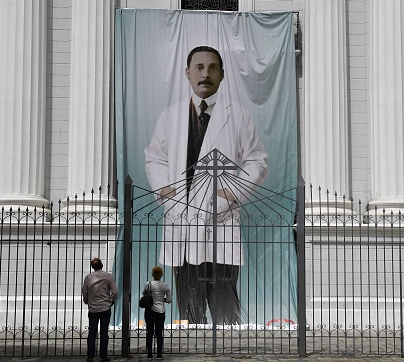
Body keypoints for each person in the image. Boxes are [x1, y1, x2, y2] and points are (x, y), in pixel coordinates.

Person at [145, 46, 268, 325]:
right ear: (187, 73)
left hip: (220, 219)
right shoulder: (170, 116)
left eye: (213, 68)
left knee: (224, 303)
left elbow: (257, 161)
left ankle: (229, 353)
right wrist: (164, 188)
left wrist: (234, 192)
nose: (205, 74)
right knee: (188, 306)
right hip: (181, 218)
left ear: (222, 75)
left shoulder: (238, 115)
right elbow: (154, 157)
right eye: (199, 67)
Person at [82, 258, 118, 362]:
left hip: (93, 308)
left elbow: (85, 291)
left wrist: (87, 301)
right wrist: (111, 301)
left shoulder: (88, 277)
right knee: (104, 333)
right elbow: (114, 291)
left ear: (92, 267)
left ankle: (90, 356)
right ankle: (103, 356)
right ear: (101, 265)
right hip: (105, 307)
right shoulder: (108, 276)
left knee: (92, 334)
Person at [143, 266, 172, 360]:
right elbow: (169, 300)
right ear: (161, 275)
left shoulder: (148, 284)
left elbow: (144, 293)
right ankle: (159, 354)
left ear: (152, 275)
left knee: (149, 332)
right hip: (160, 311)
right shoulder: (165, 286)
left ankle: (149, 354)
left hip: (149, 311)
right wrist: (161, 299)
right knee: (159, 333)